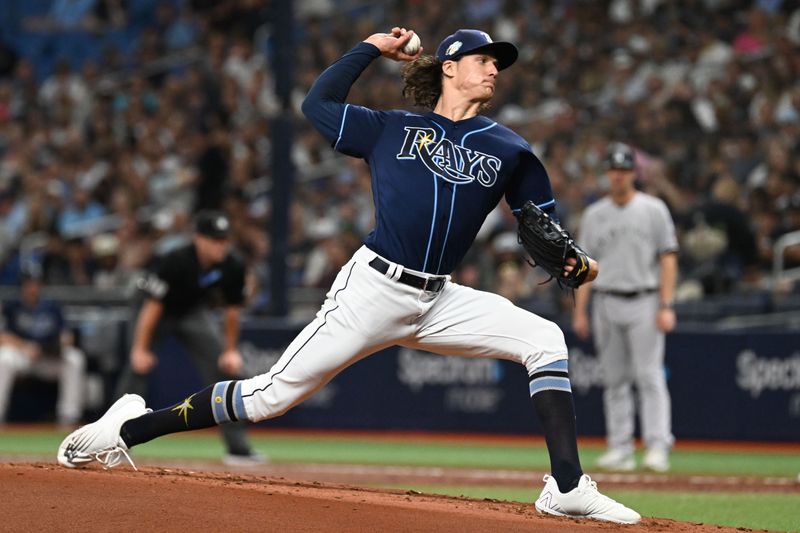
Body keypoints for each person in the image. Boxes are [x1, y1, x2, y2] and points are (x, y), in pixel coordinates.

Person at [58, 28, 640, 524]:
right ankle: (128, 430)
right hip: (373, 290)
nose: (494, 70)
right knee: (268, 399)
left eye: (497, 63)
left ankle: (566, 488)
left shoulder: (510, 148)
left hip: (440, 299)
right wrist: (369, 48)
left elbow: (543, 225)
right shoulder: (389, 128)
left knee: (546, 340)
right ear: (450, 68)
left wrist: (573, 259)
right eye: (485, 60)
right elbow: (317, 105)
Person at [113, 210, 264, 466]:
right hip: (154, 312)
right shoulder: (176, 260)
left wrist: (230, 350)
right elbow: (153, 306)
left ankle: (237, 448)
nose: (221, 245)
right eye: (215, 239)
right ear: (199, 239)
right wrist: (140, 348)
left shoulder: (233, 264)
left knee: (222, 369)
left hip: (192, 312)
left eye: (224, 239)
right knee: (136, 371)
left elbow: (232, 312)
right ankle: (114, 439)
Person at [572, 142, 679, 473]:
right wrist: (580, 311)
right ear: (608, 174)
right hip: (605, 299)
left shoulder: (653, 209)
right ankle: (620, 447)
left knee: (649, 375)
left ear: (634, 172)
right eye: (614, 170)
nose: (618, 176)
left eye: (624, 170)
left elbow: (668, 258)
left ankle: (657, 445)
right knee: (615, 379)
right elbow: (584, 268)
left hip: (644, 298)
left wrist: (666, 303)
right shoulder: (594, 214)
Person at [0, 264, 86, 426]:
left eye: (35, 283)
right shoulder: (13, 306)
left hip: (46, 358)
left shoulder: (52, 307)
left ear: (41, 286)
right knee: (4, 357)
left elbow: (67, 338)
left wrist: (49, 348)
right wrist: (25, 346)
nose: (32, 288)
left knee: (75, 359)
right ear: (22, 286)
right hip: (23, 356)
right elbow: (2, 336)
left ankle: (68, 417)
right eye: (28, 284)